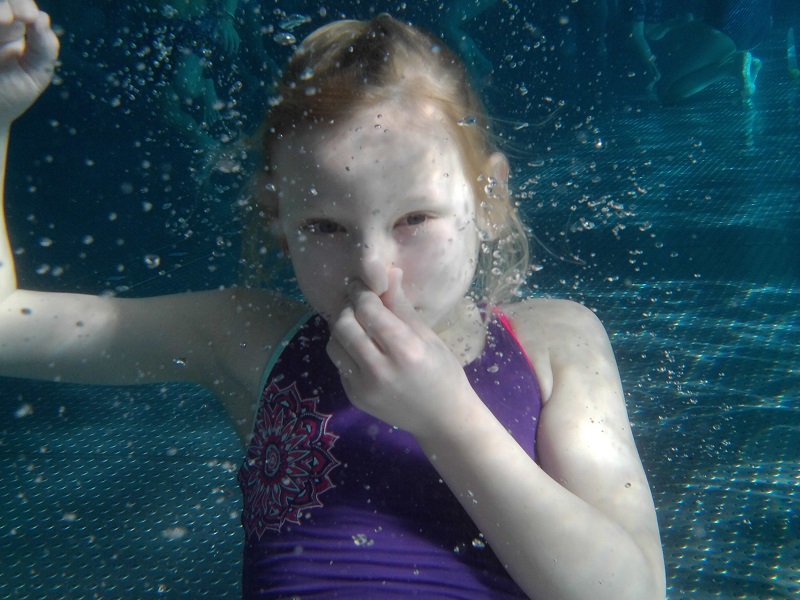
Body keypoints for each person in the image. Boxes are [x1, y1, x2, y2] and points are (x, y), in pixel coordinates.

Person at [0, 2, 666, 598]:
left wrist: (446, 416)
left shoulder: (554, 339)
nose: (372, 269)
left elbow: (629, 591)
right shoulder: (248, 338)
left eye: (414, 219)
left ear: (487, 199)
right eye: (325, 227)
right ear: (278, 220)